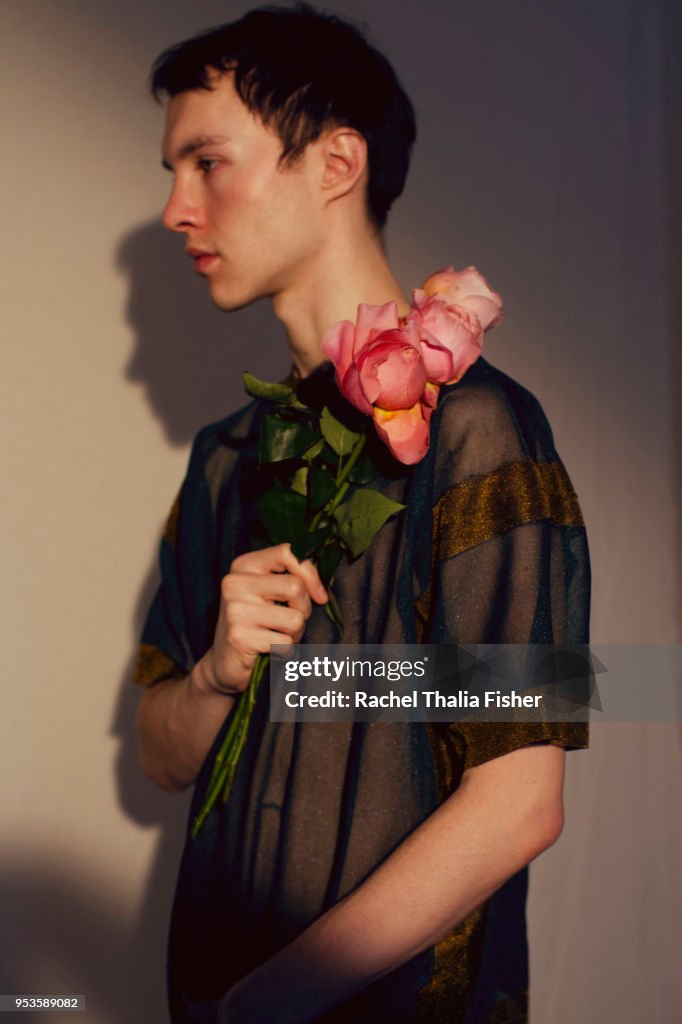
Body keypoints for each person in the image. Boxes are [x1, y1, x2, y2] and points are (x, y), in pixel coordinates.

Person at [132, 5, 590, 1022]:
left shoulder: (486, 430)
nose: (176, 207)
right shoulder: (226, 461)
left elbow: (519, 803)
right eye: (174, 170)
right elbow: (159, 753)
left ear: (336, 161)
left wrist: (270, 1001)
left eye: (206, 161)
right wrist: (214, 672)